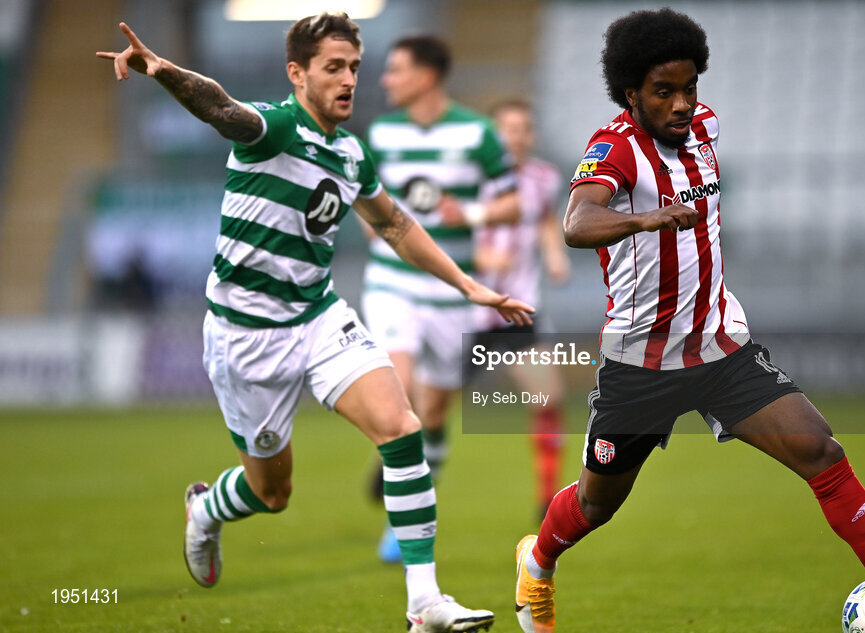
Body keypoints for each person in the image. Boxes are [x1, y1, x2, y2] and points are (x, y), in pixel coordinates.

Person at [511, 9, 865, 633]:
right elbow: (575, 223)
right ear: (631, 94)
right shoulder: (613, 149)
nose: (680, 104)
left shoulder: (705, 128)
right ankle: (537, 563)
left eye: (689, 87)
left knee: (821, 450)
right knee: (596, 503)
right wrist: (642, 219)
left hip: (722, 347)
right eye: (663, 91)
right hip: (642, 362)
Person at [97, 13, 533, 633]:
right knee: (272, 493)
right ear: (297, 74)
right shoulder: (273, 128)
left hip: (320, 317)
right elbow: (221, 108)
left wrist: (467, 284)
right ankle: (206, 508)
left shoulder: (351, 152)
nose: (349, 79)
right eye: (334, 67)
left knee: (401, 427)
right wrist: (163, 71)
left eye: (354, 66)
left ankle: (424, 603)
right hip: (245, 336)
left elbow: (395, 225)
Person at [362, 35, 520, 561]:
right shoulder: (381, 133)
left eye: (396, 69)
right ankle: (400, 521)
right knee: (396, 393)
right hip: (393, 281)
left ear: (427, 75)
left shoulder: (477, 133)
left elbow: (515, 202)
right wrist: (371, 224)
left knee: (432, 414)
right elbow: (366, 194)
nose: (385, 79)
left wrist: (470, 214)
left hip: (455, 292)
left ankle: (414, 486)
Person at [471, 99, 571, 521]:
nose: (516, 135)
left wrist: (554, 253)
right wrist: (480, 261)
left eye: (523, 128)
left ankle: (546, 498)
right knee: (427, 407)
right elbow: (442, 231)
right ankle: (396, 480)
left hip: (517, 310)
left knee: (548, 396)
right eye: (506, 128)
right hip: (467, 308)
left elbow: (546, 219)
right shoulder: (469, 176)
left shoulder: (544, 178)